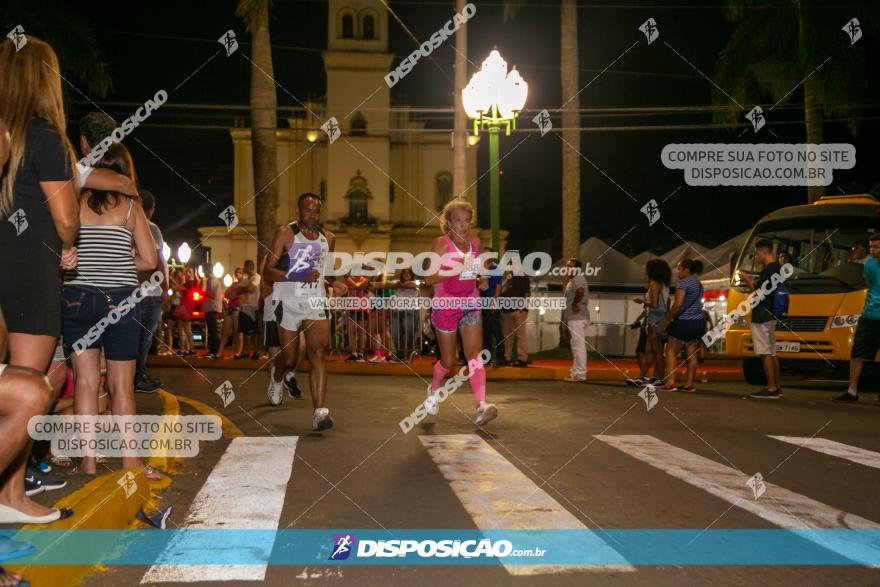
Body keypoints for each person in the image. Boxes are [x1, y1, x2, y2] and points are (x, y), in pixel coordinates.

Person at [0, 37, 81, 524]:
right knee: (34, 386)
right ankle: (9, 494)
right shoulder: (45, 135)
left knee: (9, 386)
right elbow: (67, 217)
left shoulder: (7, 134)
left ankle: (10, 495)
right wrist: (67, 243)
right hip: (31, 269)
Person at [60, 143, 163, 480]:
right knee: (120, 386)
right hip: (119, 301)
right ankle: (130, 463)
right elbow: (149, 261)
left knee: (86, 382)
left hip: (75, 298)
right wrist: (119, 262)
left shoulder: (71, 203)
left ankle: (88, 463)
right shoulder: (130, 207)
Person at [263, 193, 345, 429]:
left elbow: (325, 273)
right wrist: (297, 274)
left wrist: (334, 285)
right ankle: (278, 377)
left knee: (318, 352)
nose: (312, 215)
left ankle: (320, 412)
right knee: (289, 358)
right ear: (298, 211)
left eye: (316, 211)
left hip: (315, 302)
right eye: (307, 210)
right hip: (287, 301)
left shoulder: (328, 238)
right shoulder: (285, 234)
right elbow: (268, 270)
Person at [424, 199, 497, 426]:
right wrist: (457, 269)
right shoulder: (441, 244)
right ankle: (433, 390)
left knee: (474, 357)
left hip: (470, 303)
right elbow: (429, 277)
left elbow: (478, 273)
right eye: (458, 220)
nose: (463, 225)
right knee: (448, 360)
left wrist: (482, 280)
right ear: (449, 223)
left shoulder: (475, 244)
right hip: (445, 306)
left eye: (467, 221)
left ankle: (480, 406)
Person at [834, 233, 880, 403]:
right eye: (872, 247)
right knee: (857, 354)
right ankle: (852, 391)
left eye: (877, 247)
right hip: (869, 316)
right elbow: (869, 286)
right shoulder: (869, 264)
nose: (873, 251)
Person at [739, 240, 783, 399]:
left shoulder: (768, 270)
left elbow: (758, 294)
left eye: (757, 253)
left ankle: (771, 388)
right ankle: (777, 387)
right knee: (772, 352)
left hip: (762, 315)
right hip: (772, 314)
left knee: (765, 352)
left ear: (764, 251)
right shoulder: (778, 268)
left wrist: (747, 280)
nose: (757, 257)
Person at [259, 241, 302, 399]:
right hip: (272, 310)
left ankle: (289, 374)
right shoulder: (269, 259)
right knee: (274, 350)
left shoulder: (297, 258)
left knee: (300, 345)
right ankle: (274, 382)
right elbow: (265, 286)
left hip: (293, 310)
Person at [134, 189, 167, 392]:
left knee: (131, 337)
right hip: (150, 293)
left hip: (129, 291)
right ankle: (137, 376)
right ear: (151, 209)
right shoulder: (152, 228)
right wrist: (165, 290)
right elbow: (158, 262)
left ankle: (135, 374)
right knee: (144, 339)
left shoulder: (124, 225)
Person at [659, 259, 705, 392]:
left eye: (679, 268)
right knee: (691, 352)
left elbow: (678, 303)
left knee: (670, 350)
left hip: (684, 321)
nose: (678, 271)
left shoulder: (683, 282)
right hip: (698, 322)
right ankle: (689, 384)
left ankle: (671, 382)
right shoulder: (699, 283)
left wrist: (669, 317)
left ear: (685, 269)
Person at [628, 259, 671, 386]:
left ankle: (660, 379)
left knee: (656, 351)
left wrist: (642, 301)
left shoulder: (654, 284)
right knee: (650, 350)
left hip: (655, 320)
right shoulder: (660, 284)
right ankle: (642, 377)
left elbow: (655, 304)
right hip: (657, 320)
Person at [562, 258, 589, 382]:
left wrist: (574, 303)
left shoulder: (578, 278)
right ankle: (576, 372)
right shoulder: (573, 279)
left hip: (577, 316)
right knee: (575, 344)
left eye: (570, 266)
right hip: (574, 317)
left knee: (578, 345)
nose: (567, 268)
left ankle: (580, 374)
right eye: (567, 266)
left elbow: (580, 291)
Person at [499, 265, 531, 367]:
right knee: (507, 336)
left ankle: (522, 359)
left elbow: (527, 293)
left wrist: (522, 306)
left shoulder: (522, 276)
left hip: (518, 310)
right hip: (507, 311)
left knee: (520, 334)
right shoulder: (508, 277)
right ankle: (507, 358)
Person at [390, 267, 420, 363]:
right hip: (397, 311)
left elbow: (412, 284)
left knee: (409, 334)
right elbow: (389, 284)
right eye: (404, 273)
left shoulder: (415, 283)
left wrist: (399, 284)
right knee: (395, 335)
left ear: (412, 275)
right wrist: (398, 284)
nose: (406, 275)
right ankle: (400, 356)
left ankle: (410, 356)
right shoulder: (397, 283)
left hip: (410, 311)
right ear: (401, 275)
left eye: (408, 273)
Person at [479, 247, 503, 366]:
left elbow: (498, 286)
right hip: (482, 304)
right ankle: (486, 359)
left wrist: (495, 301)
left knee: (497, 332)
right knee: (486, 333)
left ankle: (500, 358)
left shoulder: (495, 268)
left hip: (492, 303)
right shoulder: (481, 269)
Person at [235, 260, 261, 360]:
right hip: (243, 307)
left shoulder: (257, 277)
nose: (244, 268)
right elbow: (238, 290)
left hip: (253, 307)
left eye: (245, 267)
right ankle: (245, 351)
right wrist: (246, 288)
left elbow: (251, 288)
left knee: (254, 332)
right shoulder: (246, 279)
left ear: (249, 267)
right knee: (244, 331)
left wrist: (244, 288)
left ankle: (256, 351)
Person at [344, 269, 370, 362]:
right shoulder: (348, 280)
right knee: (350, 331)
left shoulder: (364, 280)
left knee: (361, 332)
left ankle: (361, 354)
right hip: (351, 308)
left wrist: (347, 278)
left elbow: (357, 287)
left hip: (362, 309)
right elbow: (344, 292)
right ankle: (353, 353)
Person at [217, 267, 242, 359]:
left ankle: (239, 352)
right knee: (225, 332)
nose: (238, 274)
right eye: (236, 273)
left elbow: (235, 295)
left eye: (240, 272)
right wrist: (232, 294)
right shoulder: (233, 284)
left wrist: (233, 294)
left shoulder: (243, 284)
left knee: (238, 332)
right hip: (230, 308)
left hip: (237, 308)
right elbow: (227, 294)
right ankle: (220, 352)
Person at [174, 267, 197, 357]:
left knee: (187, 329)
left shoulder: (191, 283)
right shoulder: (187, 283)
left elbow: (179, 288)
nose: (188, 273)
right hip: (183, 306)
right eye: (187, 272)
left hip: (187, 307)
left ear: (193, 274)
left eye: (190, 272)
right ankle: (183, 349)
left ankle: (192, 349)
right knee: (180, 329)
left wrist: (172, 279)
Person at [202, 263, 223, 359]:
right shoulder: (212, 280)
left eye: (203, 270)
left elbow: (213, 294)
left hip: (211, 307)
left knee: (213, 330)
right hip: (211, 307)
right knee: (212, 330)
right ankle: (213, 350)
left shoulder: (212, 280)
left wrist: (203, 292)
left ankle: (214, 350)